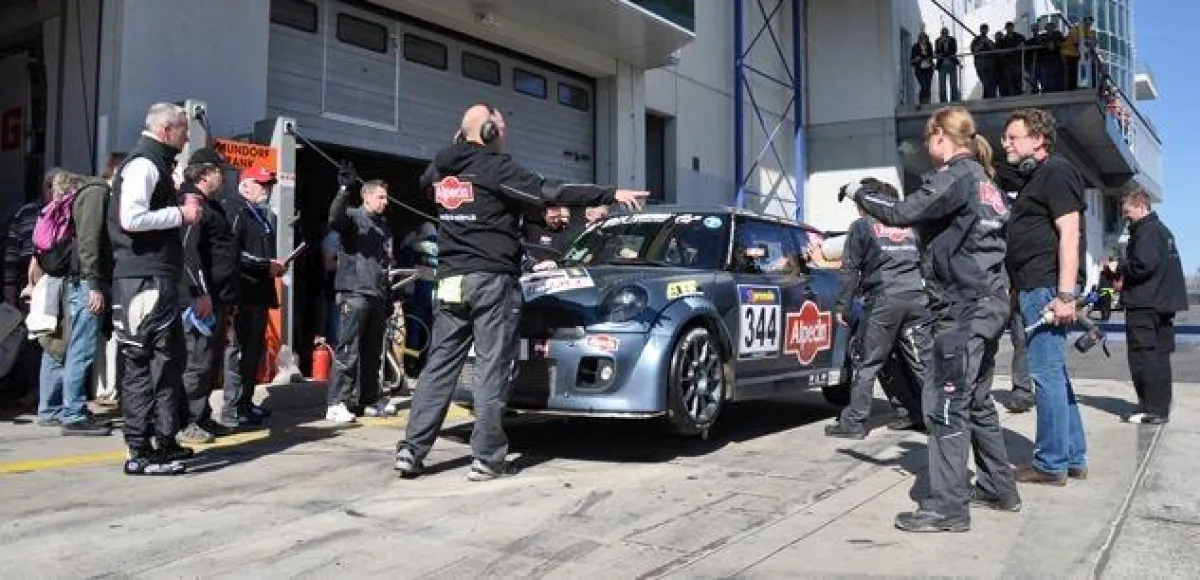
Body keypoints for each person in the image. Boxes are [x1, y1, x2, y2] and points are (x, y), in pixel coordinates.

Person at [394, 102, 649, 481]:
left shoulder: (439, 171)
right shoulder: (496, 167)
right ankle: (488, 459)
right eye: (502, 128)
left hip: (450, 282)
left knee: (438, 369)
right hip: (491, 281)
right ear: (490, 133)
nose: (505, 136)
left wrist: (460, 143)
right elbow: (551, 189)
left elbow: (450, 187)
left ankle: (411, 452)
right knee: (493, 368)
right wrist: (608, 194)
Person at [851, 105, 1020, 532]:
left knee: (943, 403)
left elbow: (904, 212)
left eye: (929, 139)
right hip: (990, 302)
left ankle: (947, 507)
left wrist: (859, 193)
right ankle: (1000, 487)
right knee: (977, 399)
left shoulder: (958, 176)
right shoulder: (986, 183)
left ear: (941, 137)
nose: (927, 148)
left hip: (963, 307)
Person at [108, 102, 201, 475]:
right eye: (183, 131)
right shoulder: (144, 163)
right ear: (166, 130)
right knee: (147, 363)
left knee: (167, 359)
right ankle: (142, 450)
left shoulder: (154, 164)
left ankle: (164, 440)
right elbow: (131, 217)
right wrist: (181, 213)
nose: (187, 138)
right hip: (144, 279)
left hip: (150, 278)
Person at [1001, 107, 1088, 486]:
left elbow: (1070, 232)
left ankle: (1050, 463)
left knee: (1045, 375)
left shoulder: (1056, 171)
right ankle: (1072, 456)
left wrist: (1066, 294)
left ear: (1038, 139)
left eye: (1012, 137)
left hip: (1048, 289)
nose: (1005, 143)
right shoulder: (1039, 177)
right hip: (1037, 287)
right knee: (1055, 374)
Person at [824, 192, 932, 439]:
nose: (857, 209)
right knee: (923, 364)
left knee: (867, 362)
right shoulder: (911, 225)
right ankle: (936, 419)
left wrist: (842, 305)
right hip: (917, 298)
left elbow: (850, 268)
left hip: (885, 301)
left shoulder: (862, 227)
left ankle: (854, 423)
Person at [177, 150, 239, 444]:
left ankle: (201, 416)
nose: (223, 176)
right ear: (204, 174)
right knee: (197, 362)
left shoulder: (212, 206)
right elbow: (189, 254)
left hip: (218, 297)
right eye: (219, 171)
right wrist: (200, 293)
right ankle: (188, 420)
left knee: (210, 363)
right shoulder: (192, 203)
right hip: (201, 299)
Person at [324, 178, 396, 423]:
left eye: (386, 198)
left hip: (376, 294)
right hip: (353, 292)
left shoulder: (383, 225)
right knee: (349, 349)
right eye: (380, 197)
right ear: (366, 197)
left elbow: (385, 262)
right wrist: (343, 189)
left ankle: (368, 399)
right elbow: (334, 218)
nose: (385, 202)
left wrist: (388, 296)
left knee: (372, 351)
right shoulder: (352, 217)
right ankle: (337, 402)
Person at [1116, 190, 1188, 424]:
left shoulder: (1146, 231)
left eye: (1127, 213)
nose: (1126, 219)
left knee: (1143, 357)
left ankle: (1150, 408)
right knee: (1159, 356)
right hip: (1162, 304)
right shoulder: (1163, 231)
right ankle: (1158, 407)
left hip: (1145, 305)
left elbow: (1142, 265)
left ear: (1141, 207)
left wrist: (1119, 266)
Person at [222, 166, 284, 428]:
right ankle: (232, 407)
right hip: (243, 292)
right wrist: (264, 265)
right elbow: (234, 253)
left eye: (268, 185)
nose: (266, 190)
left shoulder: (261, 216)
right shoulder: (236, 211)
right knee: (238, 351)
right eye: (261, 184)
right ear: (245, 186)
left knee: (252, 352)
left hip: (259, 293)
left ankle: (245, 403)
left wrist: (275, 265)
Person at [935, 27, 960, 102]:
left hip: (951, 62)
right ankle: (943, 101)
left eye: (946, 32)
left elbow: (954, 50)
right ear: (941, 33)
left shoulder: (952, 40)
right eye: (943, 32)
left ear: (948, 33)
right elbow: (937, 51)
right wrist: (940, 44)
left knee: (953, 83)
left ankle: (954, 100)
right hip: (941, 64)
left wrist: (948, 43)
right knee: (942, 84)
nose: (944, 34)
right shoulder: (938, 40)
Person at [911, 33, 935, 105]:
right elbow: (912, 58)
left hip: (928, 68)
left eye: (925, 38)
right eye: (922, 38)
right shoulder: (915, 47)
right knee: (923, 85)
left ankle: (927, 102)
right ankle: (922, 102)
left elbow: (931, 55)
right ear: (919, 39)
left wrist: (929, 59)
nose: (923, 40)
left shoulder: (929, 45)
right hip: (919, 69)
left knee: (928, 86)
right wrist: (917, 58)